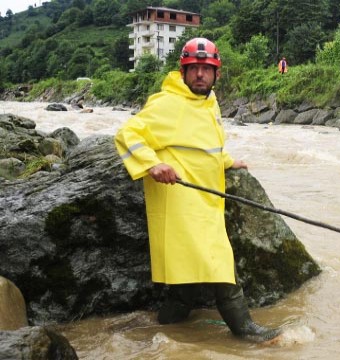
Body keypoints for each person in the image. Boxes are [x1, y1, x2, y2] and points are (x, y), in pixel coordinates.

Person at [114, 37, 281, 344]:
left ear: (216, 73)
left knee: (186, 280)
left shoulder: (210, 103)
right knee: (219, 264)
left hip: (206, 199)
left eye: (207, 69)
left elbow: (203, 145)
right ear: (183, 71)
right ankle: (245, 330)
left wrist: (229, 162)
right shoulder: (168, 103)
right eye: (194, 69)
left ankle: (160, 331)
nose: (200, 75)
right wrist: (152, 164)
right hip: (181, 202)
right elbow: (128, 133)